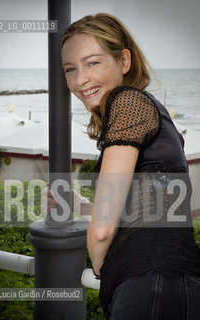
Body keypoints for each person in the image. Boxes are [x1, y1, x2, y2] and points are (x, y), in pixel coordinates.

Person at [45, 13, 200, 319]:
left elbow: (102, 232)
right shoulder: (145, 107)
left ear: (124, 61)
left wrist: (106, 275)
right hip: (173, 284)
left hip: (149, 285)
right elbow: (144, 209)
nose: (80, 80)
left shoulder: (127, 102)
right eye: (70, 69)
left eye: (93, 63)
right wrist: (81, 205)